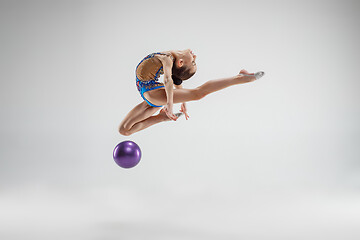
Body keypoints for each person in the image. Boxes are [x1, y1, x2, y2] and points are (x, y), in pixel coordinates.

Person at [119, 49, 264, 136]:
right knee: (124, 130)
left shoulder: (168, 59)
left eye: (193, 62)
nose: (195, 57)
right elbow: (174, 80)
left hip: (152, 93)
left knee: (198, 93)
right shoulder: (171, 57)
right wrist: (176, 103)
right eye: (194, 62)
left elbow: (169, 80)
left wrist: (172, 104)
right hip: (150, 95)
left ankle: (240, 78)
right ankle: (162, 118)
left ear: (181, 63)